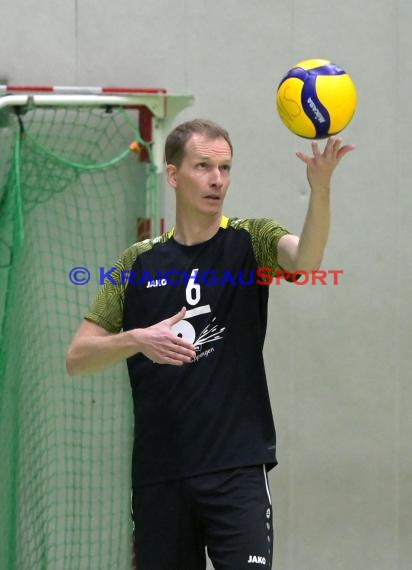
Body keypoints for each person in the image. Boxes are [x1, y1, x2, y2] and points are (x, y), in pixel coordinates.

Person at [66, 118, 354, 570]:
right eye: (203, 166)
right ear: (174, 175)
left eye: (224, 167)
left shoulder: (250, 240)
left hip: (236, 469)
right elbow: (77, 357)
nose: (217, 179)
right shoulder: (135, 263)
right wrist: (137, 338)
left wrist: (320, 189)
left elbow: (307, 259)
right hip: (160, 475)